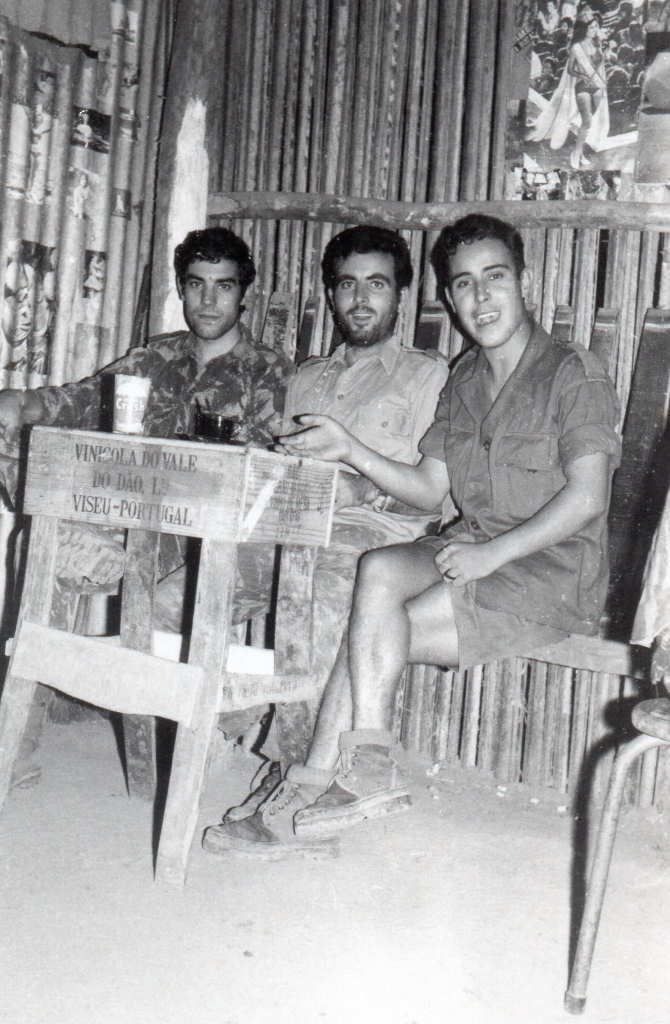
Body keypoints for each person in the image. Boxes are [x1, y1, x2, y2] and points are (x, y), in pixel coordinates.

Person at [205, 213, 621, 858]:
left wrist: (491, 555)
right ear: (449, 298)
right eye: (464, 284)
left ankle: (309, 784)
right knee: (377, 575)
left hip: (550, 568)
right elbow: (429, 489)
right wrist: (351, 447)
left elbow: (588, 498)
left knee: (370, 631)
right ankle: (365, 763)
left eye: (495, 278)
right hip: (469, 545)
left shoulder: (573, 372)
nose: (481, 297)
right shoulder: (466, 377)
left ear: (526, 282)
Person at [2, 226, 293, 783]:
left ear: (243, 294)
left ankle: (206, 727)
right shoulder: (157, 356)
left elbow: (262, 478)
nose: (208, 300)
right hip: (131, 528)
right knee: (40, 547)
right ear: (182, 289)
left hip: (202, 543)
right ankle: (16, 743)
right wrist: (23, 401)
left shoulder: (268, 371)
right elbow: (81, 399)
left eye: (223, 286)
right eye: (196, 284)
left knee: (159, 601)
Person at [202, 224, 449, 858]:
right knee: (186, 595)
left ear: (401, 295)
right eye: (347, 285)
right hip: (289, 531)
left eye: (377, 284)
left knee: (316, 606)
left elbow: (442, 496)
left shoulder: (430, 378)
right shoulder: (306, 378)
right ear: (331, 295)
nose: (361, 299)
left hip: (373, 542)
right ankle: (225, 726)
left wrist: (364, 491)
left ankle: (297, 788)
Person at [527, 17, 609, 169]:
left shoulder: (597, 45)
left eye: (596, 27)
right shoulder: (577, 47)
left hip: (597, 87)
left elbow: (601, 67)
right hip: (582, 86)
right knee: (587, 121)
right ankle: (576, 154)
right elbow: (570, 70)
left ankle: (580, 152)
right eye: (591, 27)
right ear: (584, 29)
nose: (594, 30)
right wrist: (584, 76)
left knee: (588, 122)